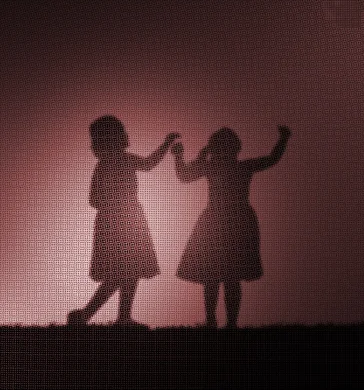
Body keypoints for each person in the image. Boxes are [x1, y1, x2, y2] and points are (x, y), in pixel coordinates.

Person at [172, 125, 291, 328]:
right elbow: (271, 159)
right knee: (226, 276)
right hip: (231, 222)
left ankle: (218, 321)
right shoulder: (238, 167)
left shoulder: (215, 167)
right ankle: (226, 322)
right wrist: (283, 139)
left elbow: (184, 175)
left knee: (218, 275)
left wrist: (183, 157)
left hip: (219, 222)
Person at [67, 115, 180, 327]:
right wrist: (165, 145)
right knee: (123, 272)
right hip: (123, 221)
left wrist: (165, 145)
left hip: (124, 221)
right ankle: (96, 315)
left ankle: (106, 316)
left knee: (128, 271)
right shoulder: (115, 163)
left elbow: (147, 164)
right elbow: (95, 199)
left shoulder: (110, 164)